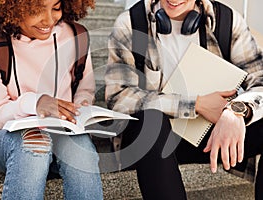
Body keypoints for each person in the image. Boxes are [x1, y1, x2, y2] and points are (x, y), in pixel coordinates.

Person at [105, 0, 263, 199]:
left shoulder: (229, 21)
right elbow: (118, 97)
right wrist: (196, 104)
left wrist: (235, 111)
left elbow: (260, 79)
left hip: (209, 136)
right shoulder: (129, 23)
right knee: (151, 119)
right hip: (152, 144)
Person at [0, 0, 103, 199]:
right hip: (9, 137)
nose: (49, 19)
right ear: (11, 7)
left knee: (80, 150)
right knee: (35, 142)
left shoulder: (76, 35)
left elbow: (85, 90)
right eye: (35, 10)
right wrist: (36, 103)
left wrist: (79, 109)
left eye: (56, 7)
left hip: (62, 133)